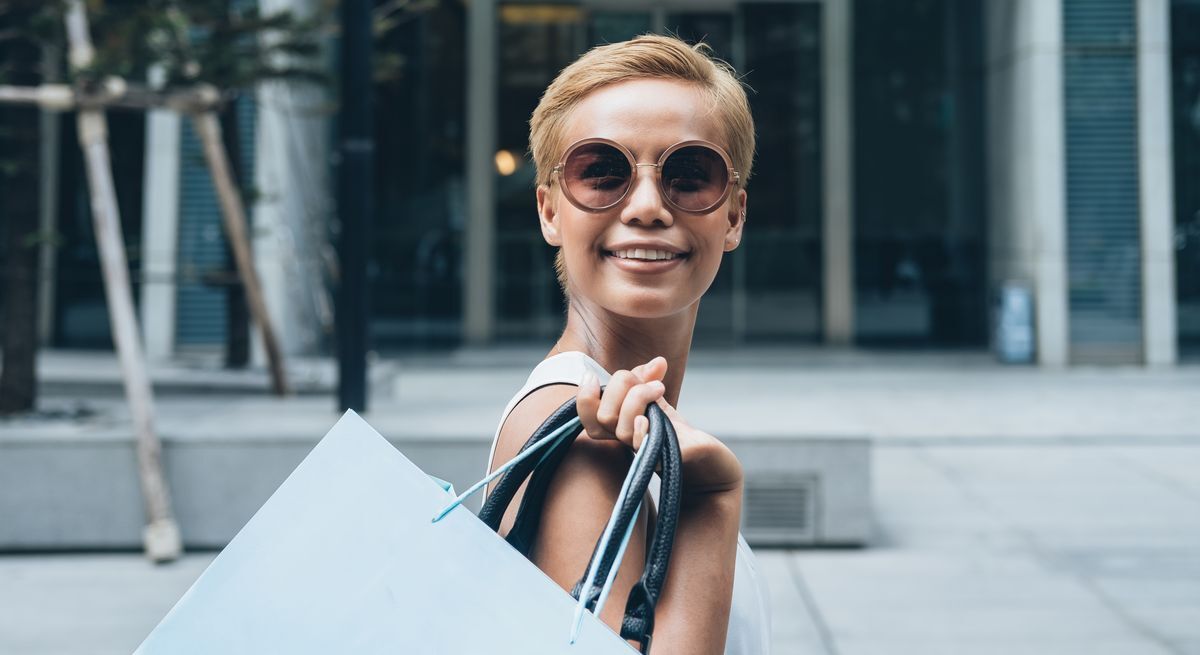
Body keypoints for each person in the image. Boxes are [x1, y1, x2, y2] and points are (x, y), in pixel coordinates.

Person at [485, 34, 770, 655]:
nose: (646, 207)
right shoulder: (575, 426)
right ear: (550, 212)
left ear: (734, 216)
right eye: (603, 172)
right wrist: (713, 501)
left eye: (690, 175)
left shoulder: (624, 419)